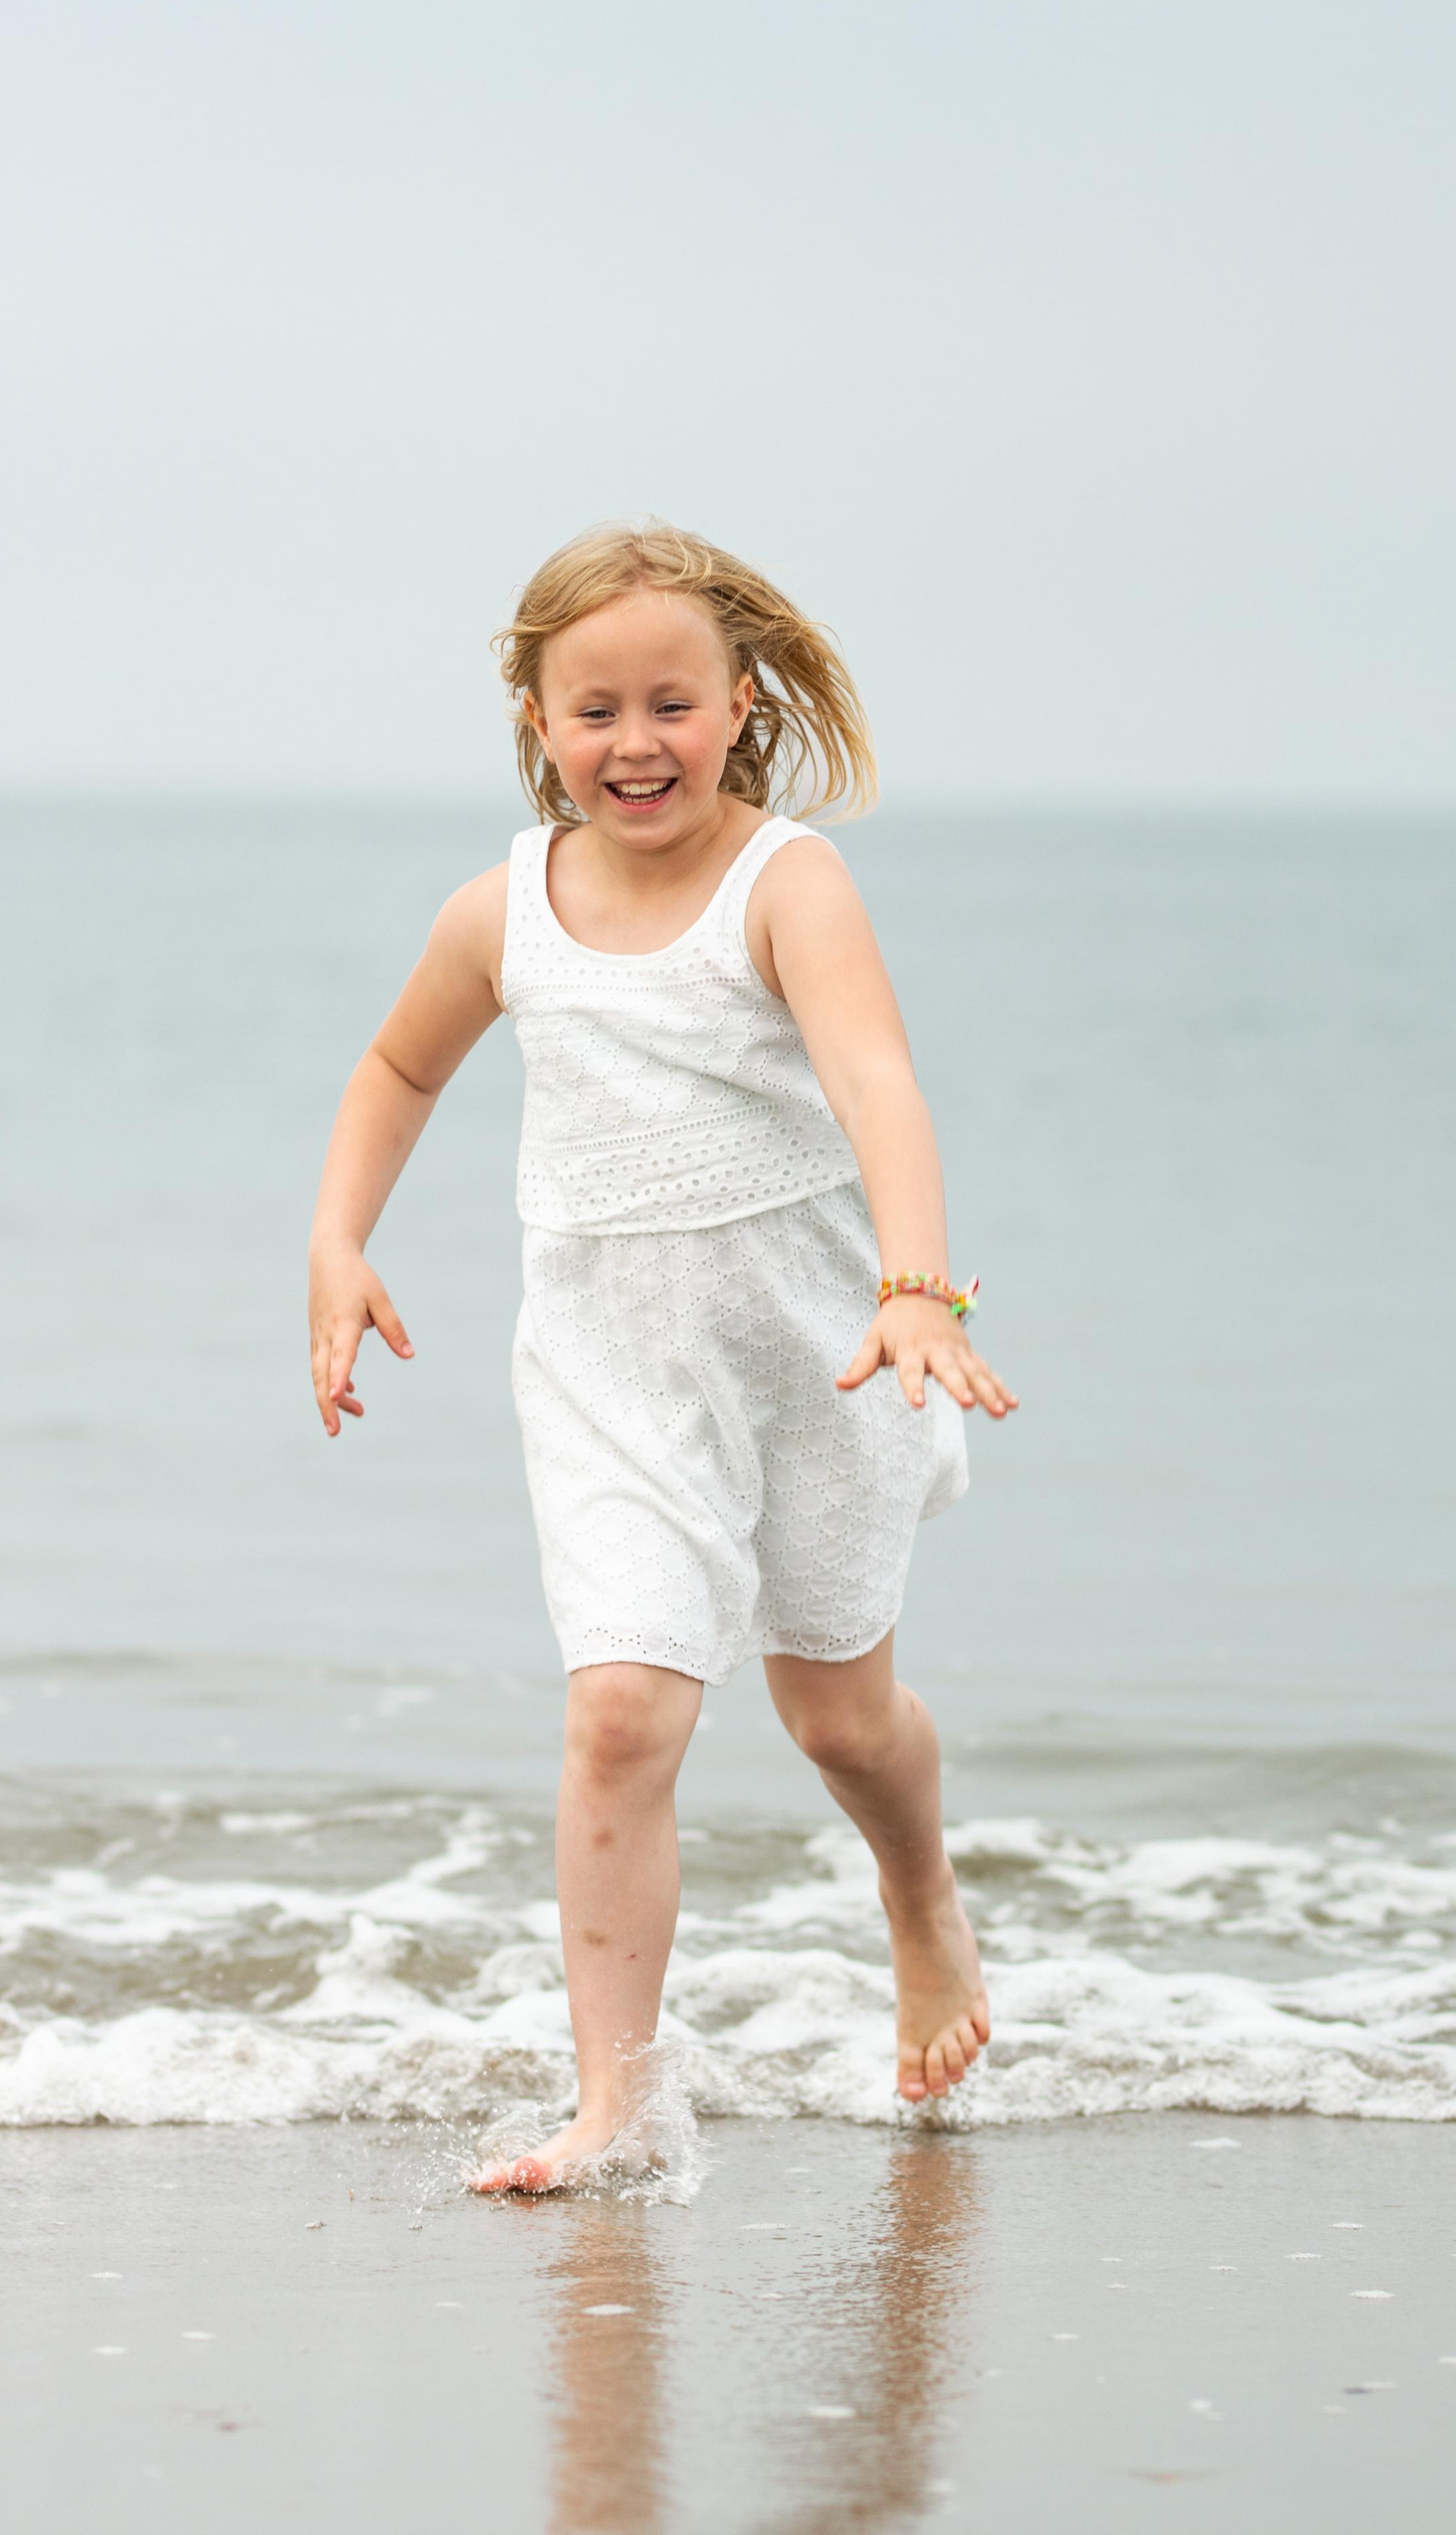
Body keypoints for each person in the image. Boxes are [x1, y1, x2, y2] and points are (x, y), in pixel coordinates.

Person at [307, 522, 1016, 2192]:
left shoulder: (789, 885)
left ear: (740, 702)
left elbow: (876, 1083)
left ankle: (920, 1907)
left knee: (840, 1723)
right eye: (596, 710)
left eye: (672, 705)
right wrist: (339, 1239)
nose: (637, 744)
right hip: (610, 1376)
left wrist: (917, 1287)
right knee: (621, 1713)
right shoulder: (503, 910)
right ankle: (612, 2105)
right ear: (537, 722)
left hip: (814, 1365)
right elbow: (396, 1072)